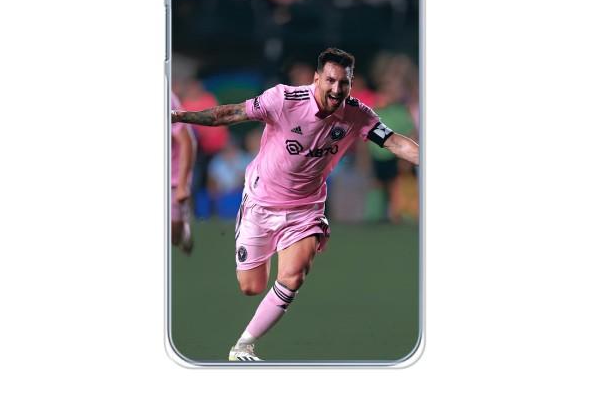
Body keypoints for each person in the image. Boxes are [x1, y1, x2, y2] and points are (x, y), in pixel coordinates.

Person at [171, 48, 419, 361]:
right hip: (261, 202)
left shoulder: (358, 114)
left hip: (306, 209)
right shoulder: (284, 100)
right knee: (251, 286)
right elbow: (229, 114)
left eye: (344, 83)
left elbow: (394, 142)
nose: (337, 89)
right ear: (317, 79)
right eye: (330, 80)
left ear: (350, 83)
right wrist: (179, 116)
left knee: (294, 275)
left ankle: (243, 346)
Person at [171, 92, 196, 255]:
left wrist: (182, 185)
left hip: (172, 179)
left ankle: (183, 227)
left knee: (173, 235)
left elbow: (187, 141)